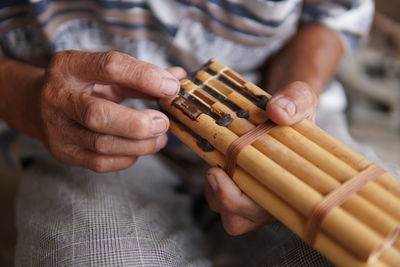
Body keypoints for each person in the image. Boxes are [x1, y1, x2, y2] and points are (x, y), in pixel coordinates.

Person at [0, 0, 374, 266]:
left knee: (362, 234)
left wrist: (296, 92)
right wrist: (24, 95)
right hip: (83, 120)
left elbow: (333, 14)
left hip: (279, 113)